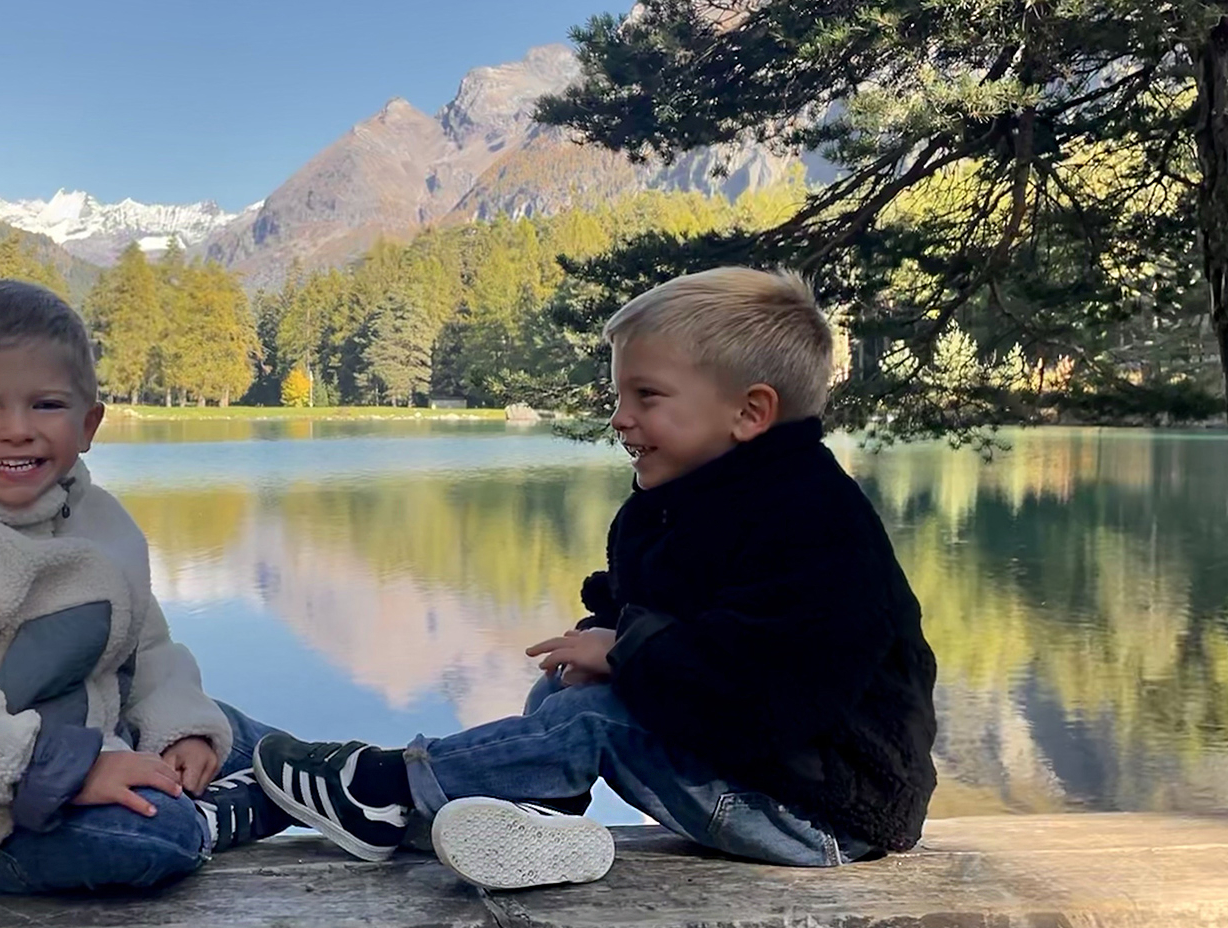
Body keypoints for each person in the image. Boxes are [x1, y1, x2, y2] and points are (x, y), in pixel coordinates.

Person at [253, 267, 939, 890]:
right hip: (765, 772)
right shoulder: (687, 503)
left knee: (594, 721)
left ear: (749, 413)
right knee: (563, 685)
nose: (620, 418)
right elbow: (660, 616)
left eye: (647, 396)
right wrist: (608, 645)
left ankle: (388, 793)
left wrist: (624, 653)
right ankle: (534, 824)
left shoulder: (817, 522)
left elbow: (767, 691)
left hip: (827, 814)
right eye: (619, 395)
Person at [0, 278, 289, 894]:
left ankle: (411, 788)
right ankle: (232, 812)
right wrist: (77, 773)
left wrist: (184, 728)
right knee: (154, 832)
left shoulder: (100, 521)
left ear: (88, 423)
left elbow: (144, 649)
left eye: (45, 405)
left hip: (94, 749)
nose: (17, 429)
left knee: (266, 747)